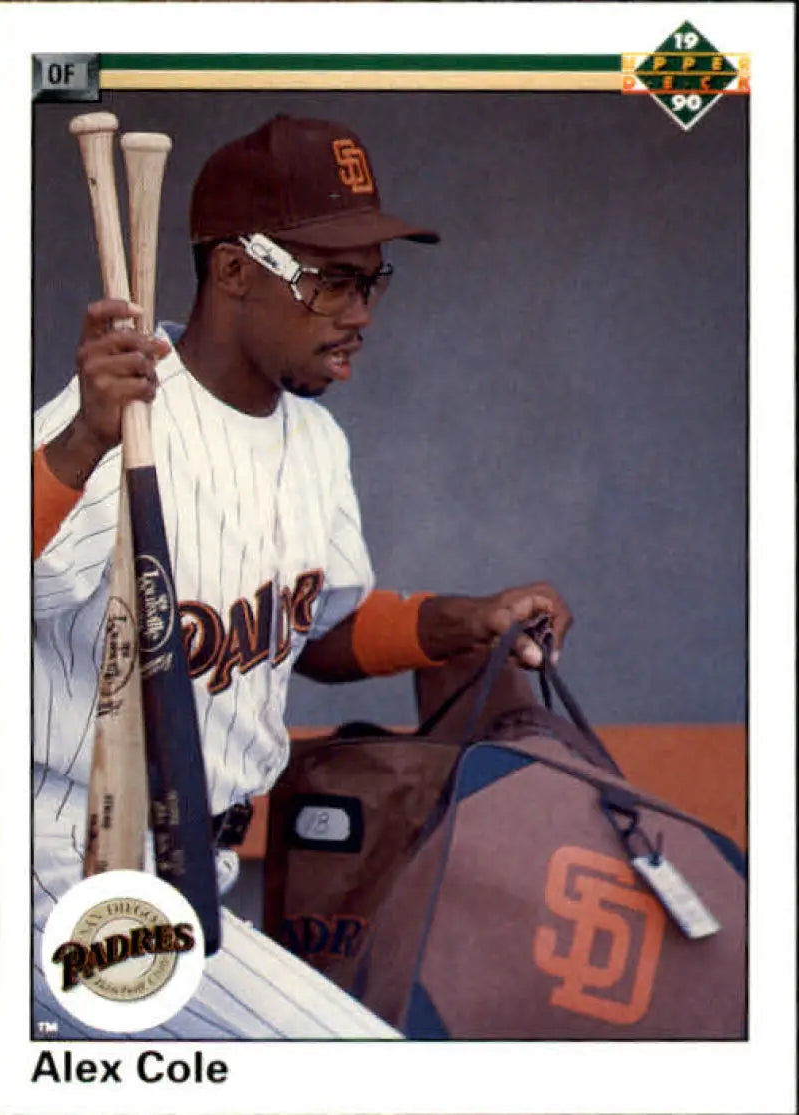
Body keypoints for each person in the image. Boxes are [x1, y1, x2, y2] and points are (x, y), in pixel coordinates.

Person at [32, 114, 572, 1039]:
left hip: (200, 869)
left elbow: (315, 632)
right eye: (332, 281)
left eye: (372, 281)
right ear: (236, 271)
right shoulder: (107, 422)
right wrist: (81, 439)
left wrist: (459, 621)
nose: (361, 312)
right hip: (68, 873)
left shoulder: (316, 441)